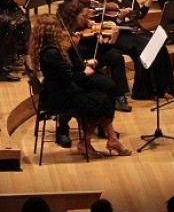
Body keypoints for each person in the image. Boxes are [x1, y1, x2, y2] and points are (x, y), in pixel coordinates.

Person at [29, 14, 131, 157]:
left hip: (59, 90)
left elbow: (65, 73)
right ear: (52, 31)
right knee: (101, 101)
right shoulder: (51, 53)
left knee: (103, 96)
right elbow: (68, 77)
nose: (61, 32)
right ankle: (88, 142)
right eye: (58, 29)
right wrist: (85, 73)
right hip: (58, 96)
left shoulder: (50, 49)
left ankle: (107, 140)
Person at [95, 0, 174, 101]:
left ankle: (165, 88)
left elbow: (140, 14)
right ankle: (144, 91)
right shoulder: (102, 0)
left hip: (136, 30)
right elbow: (106, 25)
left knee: (159, 45)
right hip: (121, 34)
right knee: (147, 48)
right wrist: (120, 18)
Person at [60, 0, 132, 112]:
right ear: (74, 16)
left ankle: (120, 96)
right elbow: (72, 57)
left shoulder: (89, 27)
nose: (87, 19)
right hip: (82, 62)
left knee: (116, 57)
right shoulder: (66, 32)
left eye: (88, 16)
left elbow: (100, 49)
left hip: (95, 56)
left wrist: (111, 41)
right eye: (84, 16)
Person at [0, 0, 33, 81]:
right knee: (10, 23)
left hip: (8, 5)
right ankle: (5, 63)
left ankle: (22, 57)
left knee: (24, 20)